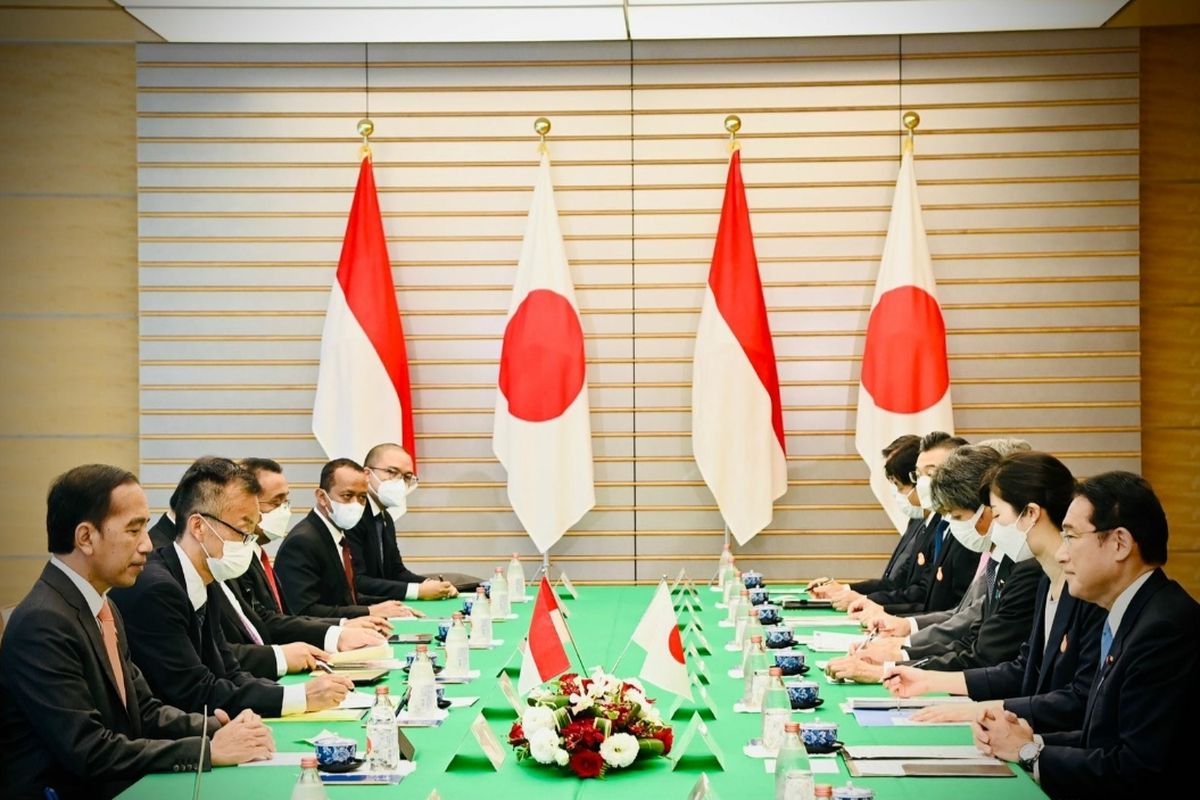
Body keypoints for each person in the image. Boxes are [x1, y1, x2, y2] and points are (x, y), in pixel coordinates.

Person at [0, 464, 275, 800]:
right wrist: (207, 750)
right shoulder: (42, 623)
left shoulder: (103, 605)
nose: (147, 545)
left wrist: (218, 726)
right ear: (86, 537)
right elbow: (90, 750)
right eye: (133, 531)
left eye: (146, 529)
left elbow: (142, 710)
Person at [972, 472, 1200, 796]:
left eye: (1071, 537)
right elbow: (1101, 739)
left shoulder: (1165, 630)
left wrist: (1030, 754)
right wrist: (1029, 740)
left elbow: (1138, 769)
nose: (1062, 554)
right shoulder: (1132, 613)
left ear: (1120, 543)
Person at [110, 457, 354, 718]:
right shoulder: (157, 590)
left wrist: (300, 693)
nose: (249, 542)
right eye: (243, 530)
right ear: (198, 527)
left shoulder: (206, 576)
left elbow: (228, 671)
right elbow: (194, 691)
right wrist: (299, 697)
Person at [882, 453, 1105, 729]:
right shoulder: (1046, 580)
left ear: (1031, 513)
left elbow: (1075, 699)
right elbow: (1024, 669)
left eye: (996, 514)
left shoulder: (1078, 587)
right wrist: (928, 679)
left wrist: (985, 712)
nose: (993, 525)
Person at [829, 445, 1041, 682]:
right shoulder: (996, 556)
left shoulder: (1024, 567)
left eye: (930, 472)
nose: (952, 522)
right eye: (919, 475)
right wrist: (901, 652)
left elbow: (982, 651)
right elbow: (970, 633)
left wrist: (893, 665)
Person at [836, 432, 975, 616]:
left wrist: (890, 616)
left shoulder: (968, 533)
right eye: (918, 475)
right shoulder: (938, 526)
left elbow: (952, 610)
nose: (922, 483)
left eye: (931, 473)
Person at [273, 458, 417, 620]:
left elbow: (347, 599)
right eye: (347, 495)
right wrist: (369, 612)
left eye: (362, 497)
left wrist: (390, 605)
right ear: (322, 497)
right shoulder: (302, 542)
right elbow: (305, 611)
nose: (356, 504)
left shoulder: (337, 535)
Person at [808, 435, 925, 598]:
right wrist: (844, 589)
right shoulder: (917, 520)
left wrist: (864, 599)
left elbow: (921, 594)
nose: (895, 492)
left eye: (897, 484)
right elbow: (892, 583)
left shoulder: (938, 525)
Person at [347, 443, 457, 601]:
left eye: (406, 477)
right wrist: (418, 591)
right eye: (392, 472)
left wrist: (431, 584)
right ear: (366, 474)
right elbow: (356, 580)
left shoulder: (386, 518)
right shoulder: (352, 515)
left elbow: (396, 571)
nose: (399, 482)